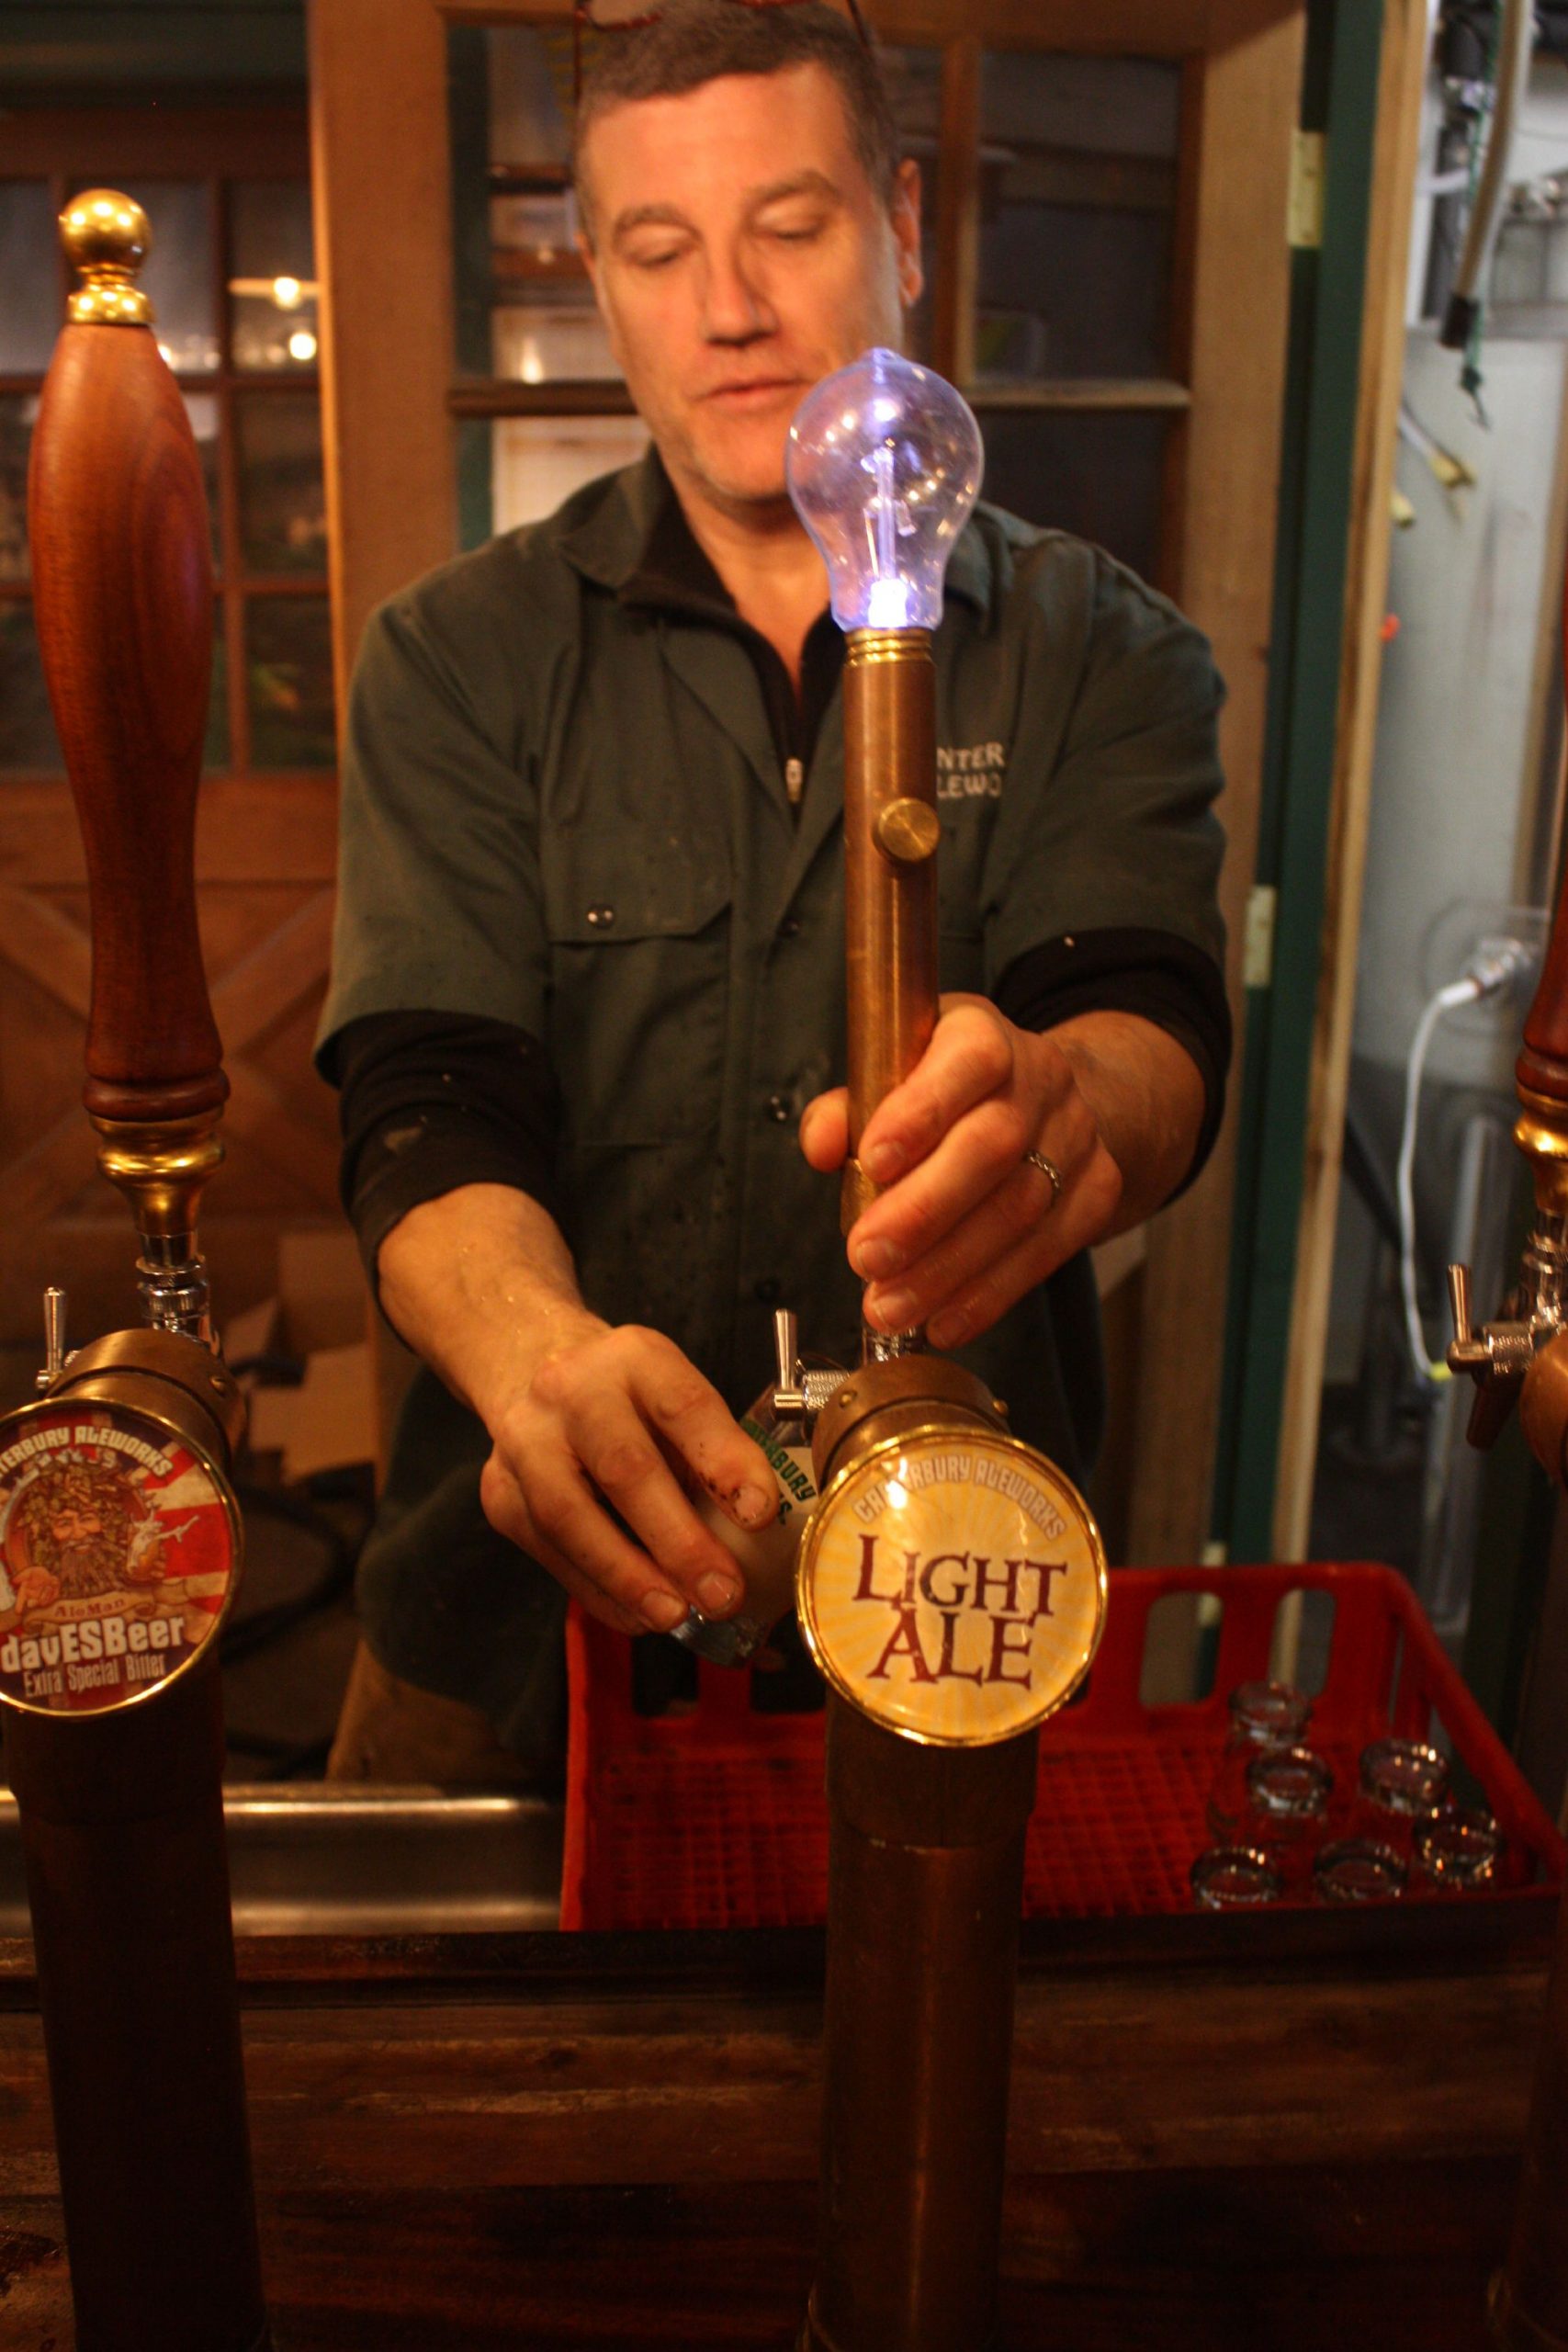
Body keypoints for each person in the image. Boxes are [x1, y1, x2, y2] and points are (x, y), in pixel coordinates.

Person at [316, 0, 1230, 1784]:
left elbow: (1142, 1014)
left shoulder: (1102, 649)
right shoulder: (457, 656)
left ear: (900, 220)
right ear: (598, 270)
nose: (727, 304)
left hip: (949, 1606)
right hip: (505, 1637)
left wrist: (1069, 1106)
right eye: (659, 247)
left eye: (788, 225)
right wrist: (533, 1354)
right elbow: (428, 1093)